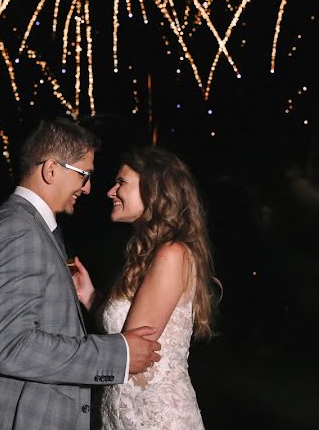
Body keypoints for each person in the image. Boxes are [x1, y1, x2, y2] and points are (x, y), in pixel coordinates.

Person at [0, 117, 162, 430]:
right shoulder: (16, 229)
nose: (88, 188)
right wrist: (119, 355)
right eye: (84, 175)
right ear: (50, 170)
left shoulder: (35, 228)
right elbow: (13, 347)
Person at [71, 146, 219, 430]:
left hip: (155, 419)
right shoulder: (146, 254)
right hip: (122, 417)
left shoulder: (172, 255)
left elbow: (132, 351)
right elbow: (126, 335)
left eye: (121, 183)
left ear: (154, 191)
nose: (110, 191)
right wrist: (89, 296)